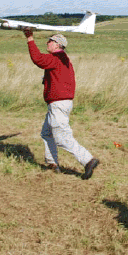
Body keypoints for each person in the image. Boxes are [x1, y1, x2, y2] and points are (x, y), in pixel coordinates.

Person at [23, 29, 99, 180]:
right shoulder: (62, 59)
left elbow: (38, 59)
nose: (47, 43)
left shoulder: (56, 58)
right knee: (47, 133)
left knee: (62, 138)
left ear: (57, 45)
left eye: (50, 41)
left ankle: (88, 160)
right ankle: (52, 164)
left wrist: (29, 38)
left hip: (58, 104)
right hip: (60, 104)